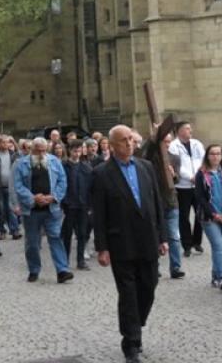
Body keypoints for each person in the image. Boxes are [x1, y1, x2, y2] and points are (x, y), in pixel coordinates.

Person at [91, 125, 168, 363]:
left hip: (147, 240)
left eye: (131, 140)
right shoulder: (102, 173)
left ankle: (136, 322)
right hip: (120, 243)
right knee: (128, 295)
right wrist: (102, 248)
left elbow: (157, 203)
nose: (129, 144)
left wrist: (163, 237)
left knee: (149, 286)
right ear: (112, 146)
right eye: (123, 141)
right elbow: (99, 213)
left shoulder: (145, 167)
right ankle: (131, 344)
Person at [13, 137, 73, 283]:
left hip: (52, 209)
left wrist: (54, 197)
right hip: (31, 210)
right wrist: (33, 198)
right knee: (32, 242)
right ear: (31, 149)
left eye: (43, 150)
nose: (41, 153)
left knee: (56, 238)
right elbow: (18, 185)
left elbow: (62, 181)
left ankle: (62, 270)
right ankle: (34, 269)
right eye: (37, 150)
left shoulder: (54, 161)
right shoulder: (21, 164)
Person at [141, 123, 185, 279]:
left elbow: (178, 178)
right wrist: (153, 138)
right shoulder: (151, 158)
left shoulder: (175, 158)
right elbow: (143, 154)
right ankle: (155, 266)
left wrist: (174, 175)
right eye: (164, 141)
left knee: (173, 236)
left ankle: (176, 267)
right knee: (154, 236)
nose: (166, 144)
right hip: (154, 202)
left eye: (168, 142)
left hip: (171, 202)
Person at [195, 144, 222, 290]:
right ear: (207, 156)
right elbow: (200, 198)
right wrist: (213, 214)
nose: (215, 157)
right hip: (209, 217)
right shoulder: (201, 174)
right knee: (218, 245)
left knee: (219, 247)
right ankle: (221, 276)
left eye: (218, 154)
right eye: (212, 154)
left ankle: (214, 275)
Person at [168, 121, 205, 257]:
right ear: (179, 131)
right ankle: (187, 244)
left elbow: (203, 159)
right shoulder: (173, 146)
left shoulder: (197, 144)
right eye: (187, 128)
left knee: (200, 214)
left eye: (190, 128)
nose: (190, 130)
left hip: (198, 184)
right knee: (183, 216)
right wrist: (190, 176)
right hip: (182, 186)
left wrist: (199, 174)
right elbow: (176, 165)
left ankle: (197, 241)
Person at [61, 140, 93, 270]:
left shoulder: (86, 167)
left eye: (79, 151)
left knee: (82, 233)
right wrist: (63, 202)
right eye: (75, 151)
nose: (77, 153)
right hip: (69, 205)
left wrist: (90, 205)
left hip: (82, 205)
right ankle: (65, 260)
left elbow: (91, 187)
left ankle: (80, 260)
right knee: (67, 234)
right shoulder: (63, 166)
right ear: (70, 151)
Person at [0, 136, 21, 240]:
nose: (5, 144)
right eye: (2, 142)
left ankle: (15, 230)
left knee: (11, 208)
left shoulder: (13, 155)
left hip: (11, 186)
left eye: (7, 142)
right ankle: (2, 230)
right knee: (1, 209)